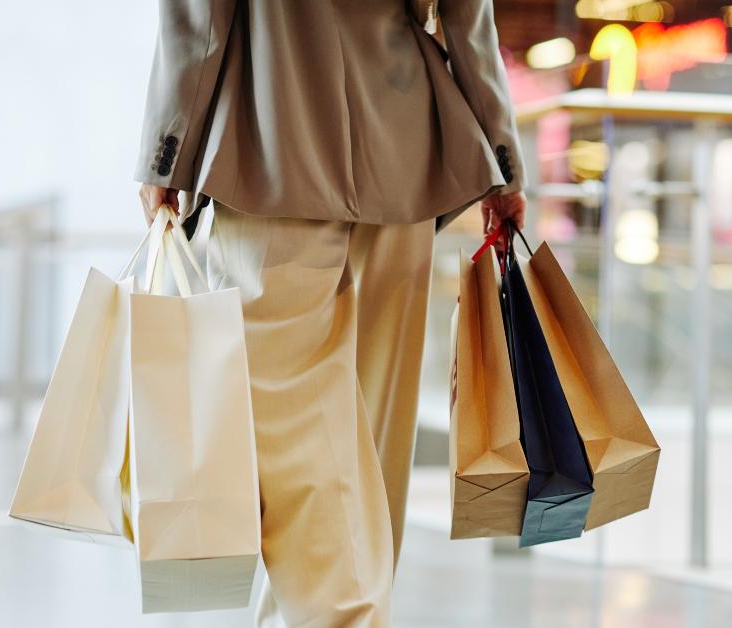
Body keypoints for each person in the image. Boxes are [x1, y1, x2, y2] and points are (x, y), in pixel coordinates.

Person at [134, 2, 526, 627]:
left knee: (293, 430)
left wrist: (168, 148)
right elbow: (467, 15)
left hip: (271, 137)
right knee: (368, 438)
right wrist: (501, 160)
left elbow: (199, 17)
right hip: (404, 144)